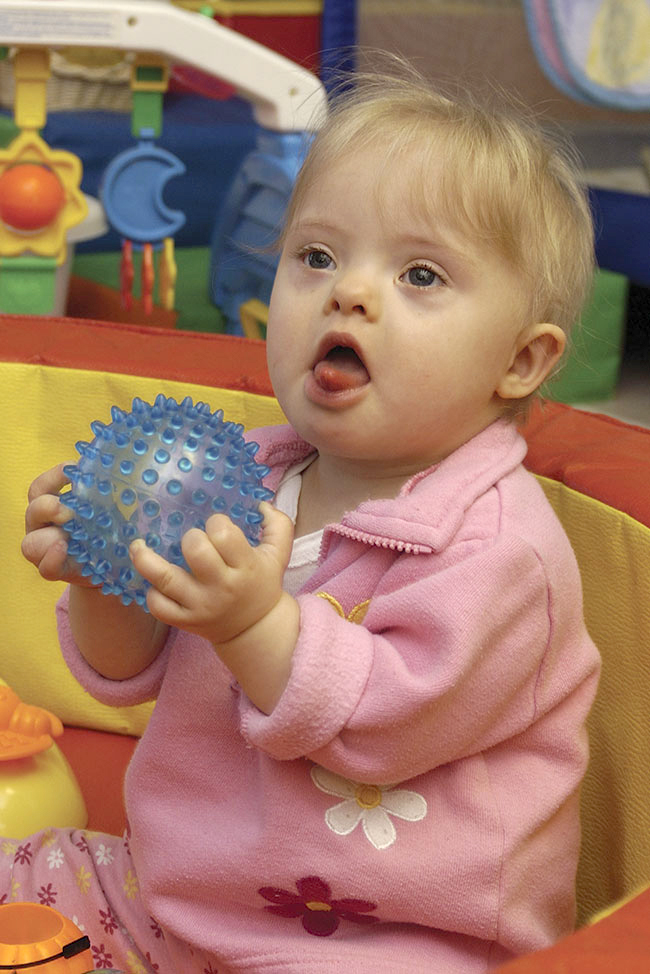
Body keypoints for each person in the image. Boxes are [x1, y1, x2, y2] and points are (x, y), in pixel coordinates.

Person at [19, 68, 600, 973]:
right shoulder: (242, 476)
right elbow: (125, 673)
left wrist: (251, 622)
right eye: (317, 256)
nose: (348, 293)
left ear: (520, 360)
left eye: (419, 274)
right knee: (28, 876)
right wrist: (108, 568)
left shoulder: (496, 546)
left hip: (385, 935)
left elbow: (379, 730)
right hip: (181, 900)